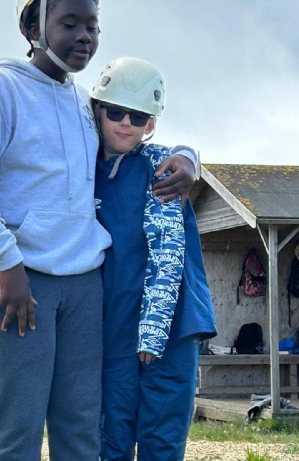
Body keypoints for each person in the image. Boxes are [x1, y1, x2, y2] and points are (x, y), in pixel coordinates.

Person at [0, 0, 196, 460]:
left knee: (81, 423)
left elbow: (131, 144)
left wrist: (188, 158)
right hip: (22, 280)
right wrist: (6, 260)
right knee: (21, 420)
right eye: (69, 23)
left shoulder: (82, 102)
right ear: (32, 28)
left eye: (92, 26)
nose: (84, 36)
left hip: (84, 283)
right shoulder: (0, 90)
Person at [92, 57, 217, 461]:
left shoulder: (163, 169)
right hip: (114, 323)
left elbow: (168, 251)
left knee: (162, 440)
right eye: (115, 111)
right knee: (111, 436)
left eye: (138, 115)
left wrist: (188, 156)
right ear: (97, 110)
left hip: (173, 324)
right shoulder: (82, 173)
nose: (125, 122)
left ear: (151, 124)